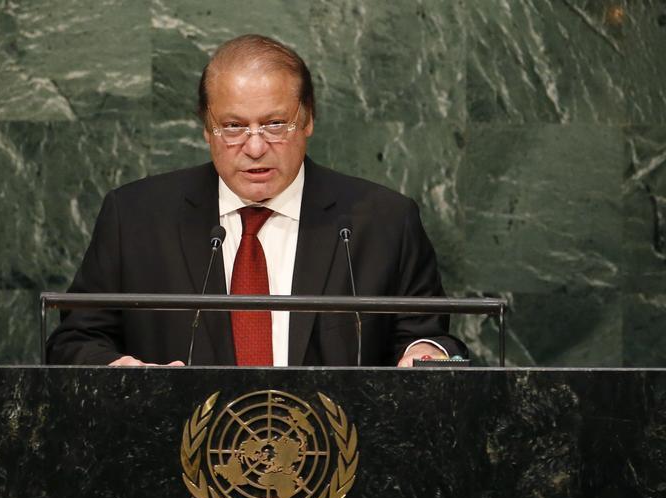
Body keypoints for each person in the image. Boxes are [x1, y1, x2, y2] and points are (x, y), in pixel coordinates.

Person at [46, 34, 467, 367]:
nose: (253, 146)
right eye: (232, 126)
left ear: (308, 121)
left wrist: (427, 354)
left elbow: (426, 335)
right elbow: (77, 338)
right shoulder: (135, 217)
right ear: (206, 129)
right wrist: (119, 369)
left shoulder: (383, 221)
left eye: (274, 124)